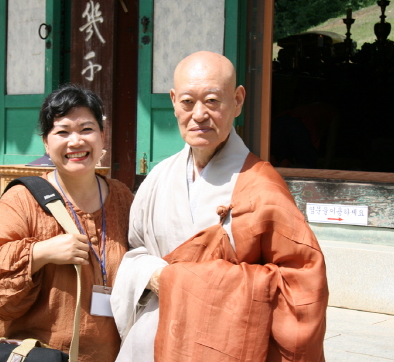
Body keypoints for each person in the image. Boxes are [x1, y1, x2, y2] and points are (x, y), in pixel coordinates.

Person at [110, 51, 329, 362]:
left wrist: (188, 283)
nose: (199, 114)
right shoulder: (159, 177)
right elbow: (135, 251)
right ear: (174, 101)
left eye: (212, 101)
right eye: (187, 102)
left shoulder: (262, 188)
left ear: (237, 100)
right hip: (152, 340)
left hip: (224, 348)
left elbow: (302, 282)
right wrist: (153, 275)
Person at [0, 84, 134, 362]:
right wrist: (40, 253)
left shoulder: (122, 198)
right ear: (46, 142)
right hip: (35, 355)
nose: (75, 142)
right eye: (62, 132)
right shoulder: (23, 199)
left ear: (103, 137)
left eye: (86, 129)